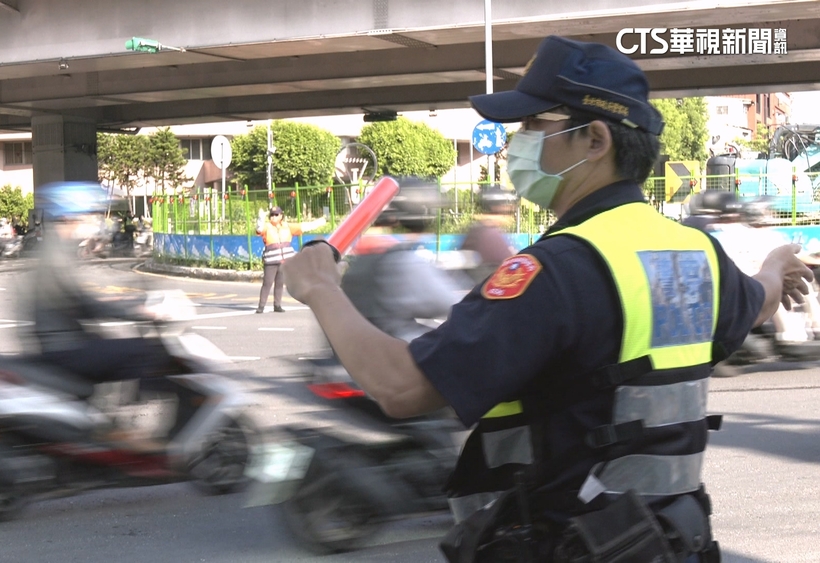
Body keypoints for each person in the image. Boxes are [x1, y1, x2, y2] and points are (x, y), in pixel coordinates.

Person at [281, 35, 813, 563]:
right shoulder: (697, 253)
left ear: (596, 140)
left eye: (537, 124)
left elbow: (402, 387)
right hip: (672, 540)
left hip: (569, 542)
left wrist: (322, 289)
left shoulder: (555, 271)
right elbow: (758, 301)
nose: (519, 140)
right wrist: (774, 267)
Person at [17, 182, 186, 451]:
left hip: (62, 343)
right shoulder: (57, 255)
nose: (93, 222)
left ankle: (113, 422)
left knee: (114, 344)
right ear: (70, 217)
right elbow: (86, 302)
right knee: (143, 351)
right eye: (89, 216)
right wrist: (139, 311)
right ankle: (135, 432)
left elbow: (81, 301)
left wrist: (123, 304)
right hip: (64, 348)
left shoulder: (57, 251)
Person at [340, 177, 463, 342]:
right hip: (393, 356)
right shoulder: (405, 264)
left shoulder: (374, 258)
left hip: (362, 350)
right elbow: (453, 306)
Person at [254, 205, 325, 314]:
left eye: (276, 215)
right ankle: (261, 306)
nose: (273, 217)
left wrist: (319, 222)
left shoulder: (287, 227)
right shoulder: (267, 227)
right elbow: (259, 229)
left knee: (280, 283)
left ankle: (277, 305)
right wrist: (260, 219)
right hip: (271, 261)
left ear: (281, 216)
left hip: (284, 261)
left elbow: (304, 227)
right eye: (271, 215)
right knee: (267, 283)